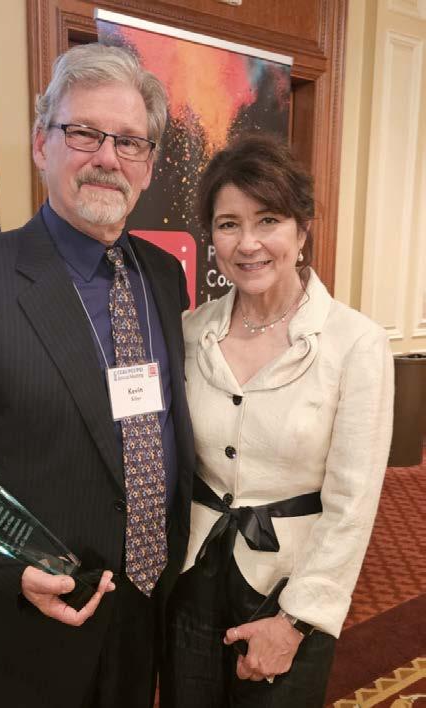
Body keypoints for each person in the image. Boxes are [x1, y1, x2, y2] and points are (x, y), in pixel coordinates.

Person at [0, 43, 194, 708]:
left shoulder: (164, 277)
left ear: (148, 165)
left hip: (140, 613)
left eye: (129, 141)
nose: (107, 157)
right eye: (83, 133)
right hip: (16, 637)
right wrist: (13, 568)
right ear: (40, 144)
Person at [160, 133, 394, 708]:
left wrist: (296, 621)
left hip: (288, 588)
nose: (248, 243)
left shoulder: (355, 343)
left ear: (302, 229)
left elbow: (352, 504)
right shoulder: (190, 331)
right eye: (229, 224)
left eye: (268, 220)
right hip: (192, 576)